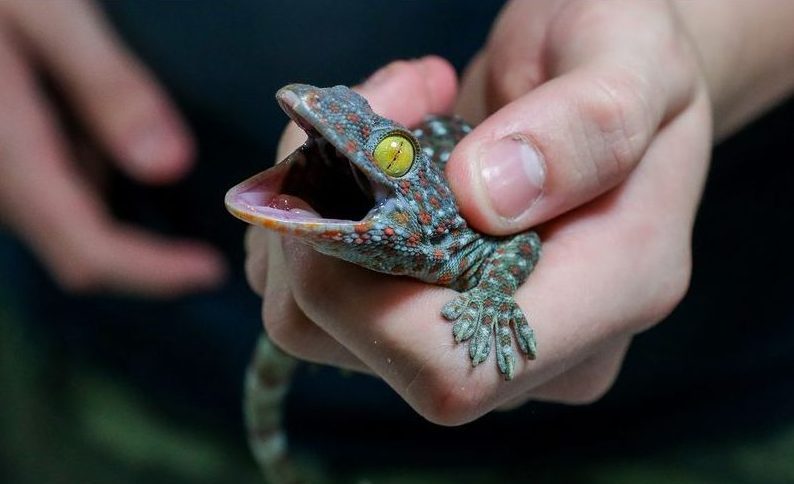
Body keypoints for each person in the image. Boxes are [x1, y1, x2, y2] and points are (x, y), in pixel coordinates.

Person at [1, 0, 793, 480]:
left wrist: (692, 43)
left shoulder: (459, 230)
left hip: (699, 406)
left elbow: (512, 250)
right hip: (118, 358)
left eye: (380, 155)